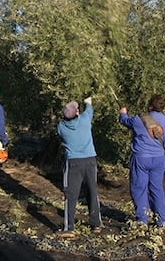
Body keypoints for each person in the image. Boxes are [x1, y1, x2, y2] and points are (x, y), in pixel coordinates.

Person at [119, 94, 165, 228]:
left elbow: (125, 121)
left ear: (149, 106)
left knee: (139, 188)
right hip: (158, 159)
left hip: (141, 158)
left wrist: (123, 113)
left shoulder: (140, 120)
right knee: (157, 188)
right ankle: (162, 220)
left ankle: (142, 219)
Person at [56, 97, 102, 238]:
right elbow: (89, 108)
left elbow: (61, 138)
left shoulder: (61, 127)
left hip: (73, 162)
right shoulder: (85, 120)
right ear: (77, 113)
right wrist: (87, 100)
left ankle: (69, 228)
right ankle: (96, 224)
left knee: (70, 194)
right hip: (90, 161)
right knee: (92, 191)